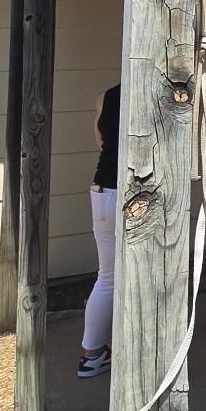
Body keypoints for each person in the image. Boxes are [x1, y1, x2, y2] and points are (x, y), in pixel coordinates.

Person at [79, 83, 121, 379]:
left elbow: (101, 142)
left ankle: (92, 355)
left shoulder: (104, 97)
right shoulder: (163, 89)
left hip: (103, 191)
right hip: (136, 194)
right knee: (149, 273)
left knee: (106, 278)